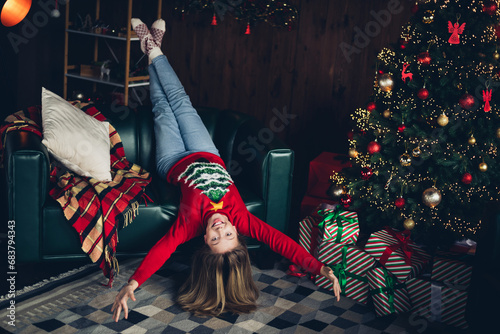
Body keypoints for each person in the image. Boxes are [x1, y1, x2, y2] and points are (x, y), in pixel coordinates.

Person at [112, 18, 341, 321]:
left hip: (172, 161)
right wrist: (318, 266)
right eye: (229, 234)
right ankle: (153, 50)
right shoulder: (242, 217)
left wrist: (132, 284)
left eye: (216, 238)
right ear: (237, 231)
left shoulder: (188, 225)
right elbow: (280, 241)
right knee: (180, 102)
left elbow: (161, 251)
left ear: (204, 240)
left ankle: (151, 47)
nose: (221, 229)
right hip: (207, 152)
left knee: (162, 109)